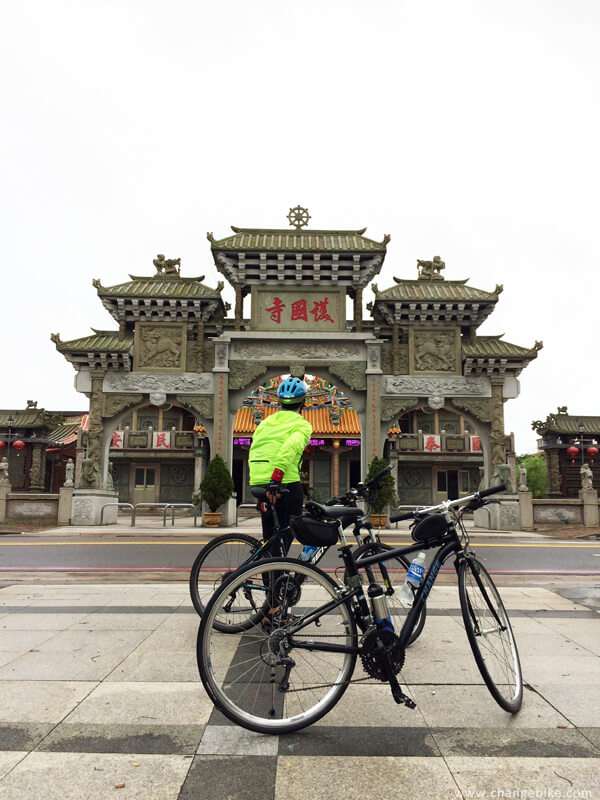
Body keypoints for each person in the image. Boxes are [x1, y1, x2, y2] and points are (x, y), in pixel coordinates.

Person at [249, 377, 312, 555]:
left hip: (260, 482)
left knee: (270, 538)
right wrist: (276, 478)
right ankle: (279, 574)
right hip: (283, 483)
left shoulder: (265, 423)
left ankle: (270, 578)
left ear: (279, 402)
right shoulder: (302, 425)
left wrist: (257, 482)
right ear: (304, 402)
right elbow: (289, 448)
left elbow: (255, 449)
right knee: (289, 532)